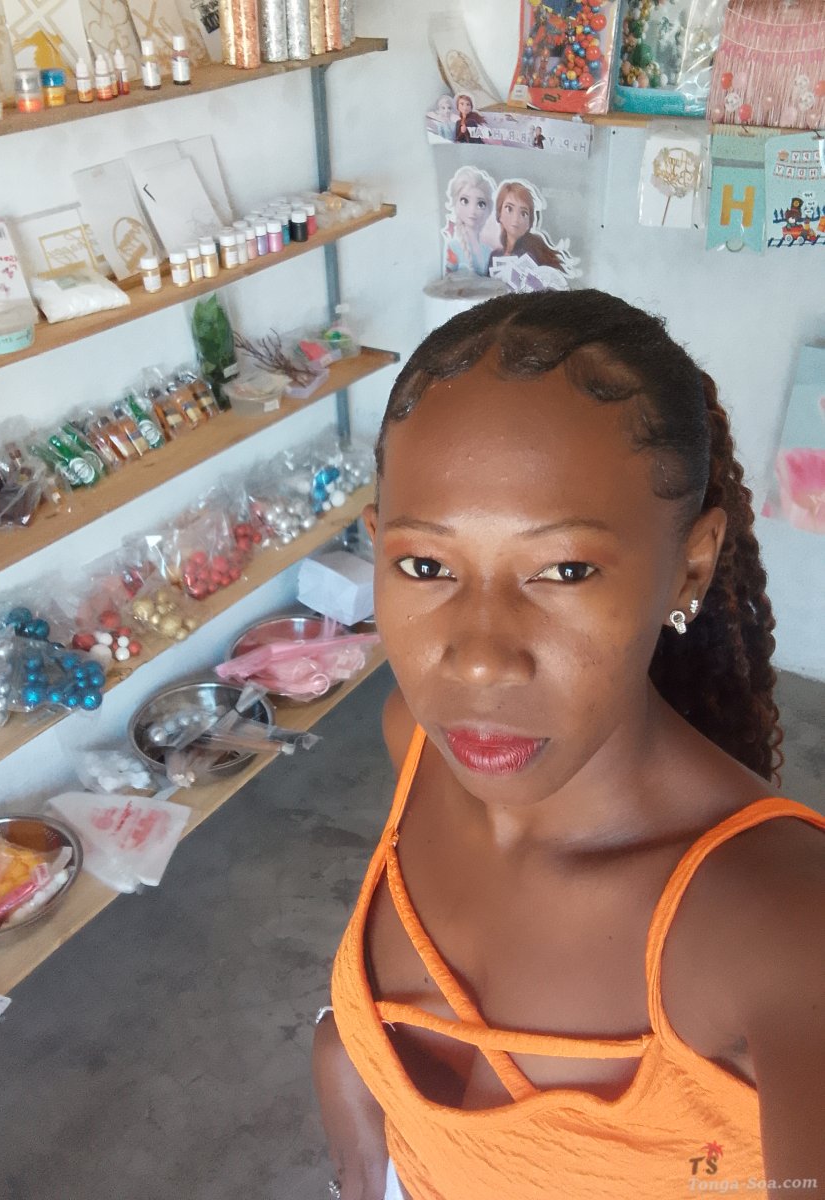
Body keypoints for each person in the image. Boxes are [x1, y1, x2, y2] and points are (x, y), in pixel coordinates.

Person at [313, 290, 825, 1200]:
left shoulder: (784, 925)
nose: (478, 661)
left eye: (565, 570)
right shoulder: (415, 747)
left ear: (691, 565)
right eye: (426, 566)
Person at [487, 179, 568, 274]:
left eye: (523, 213)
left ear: (530, 222)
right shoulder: (495, 255)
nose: (516, 218)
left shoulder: (534, 256)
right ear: (499, 214)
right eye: (509, 209)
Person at [442, 167, 494, 277]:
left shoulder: (488, 251)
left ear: (488, 209)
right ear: (455, 203)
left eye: (480, 204)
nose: (472, 210)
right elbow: (447, 282)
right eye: (464, 201)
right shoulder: (453, 247)